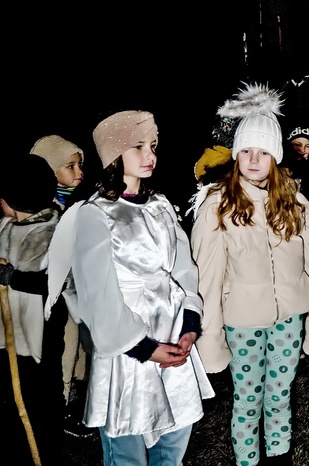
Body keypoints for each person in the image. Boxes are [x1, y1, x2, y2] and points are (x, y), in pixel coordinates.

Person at [190, 83, 309, 466]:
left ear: (276, 156)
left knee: (280, 394)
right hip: (242, 322)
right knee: (248, 398)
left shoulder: (296, 202)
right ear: (236, 154)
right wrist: (211, 335)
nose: (254, 160)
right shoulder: (217, 206)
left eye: (263, 152)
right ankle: (247, 460)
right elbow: (207, 278)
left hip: (289, 318)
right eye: (246, 151)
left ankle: (278, 457)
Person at [69, 110, 215, 465]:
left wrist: (189, 325)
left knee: (173, 442)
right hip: (126, 351)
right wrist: (143, 348)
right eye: (138, 146)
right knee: (127, 451)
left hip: (172, 334)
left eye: (153, 145)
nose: (150, 155)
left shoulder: (159, 205)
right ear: (114, 153)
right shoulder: (95, 214)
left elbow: (183, 268)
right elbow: (94, 295)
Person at [0, 153, 64, 465]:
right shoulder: (6, 227)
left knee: (40, 404)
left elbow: (52, 282)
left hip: (38, 342)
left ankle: (46, 455)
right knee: (13, 405)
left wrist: (12, 276)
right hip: (9, 339)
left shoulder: (50, 233)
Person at [30, 134, 96, 438]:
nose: (79, 172)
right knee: (66, 347)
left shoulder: (76, 202)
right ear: (49, 169)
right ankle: (62, 405)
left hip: (78, 288)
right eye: (70, 166)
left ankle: (78, 399)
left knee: (82, 344)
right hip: (54, 296)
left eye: (79, 165)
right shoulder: (41, 208)